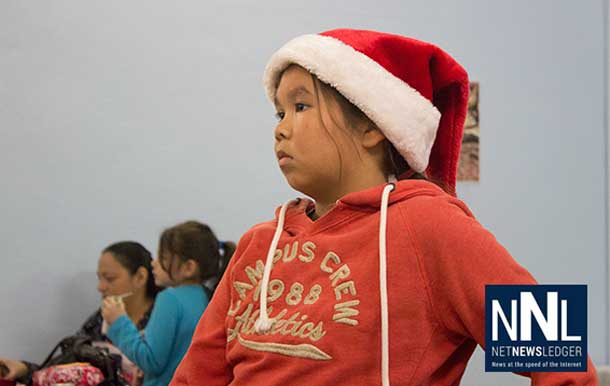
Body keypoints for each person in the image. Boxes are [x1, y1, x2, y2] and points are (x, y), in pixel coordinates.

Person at [168, 29, 598, 386]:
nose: (281, 129)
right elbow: (196, 376)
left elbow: (561, 351)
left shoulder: (429, 226)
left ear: (374, 125)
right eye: (278, 112)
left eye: (301, 106)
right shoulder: (258, 244)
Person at [0, 241, 158, 386]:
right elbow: (67, 363)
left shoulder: (161, 321)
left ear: (140, 277)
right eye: (99, 278)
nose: (101, 287)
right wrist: (24, 369)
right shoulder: (100, 320)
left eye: (110, 279)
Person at [102, 221, 235, 386]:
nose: (154, 263)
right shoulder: (209, 297)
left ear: (188, 268)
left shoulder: (170, 298)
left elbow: (151, 361)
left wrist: (119, 322)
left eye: (163, 258)